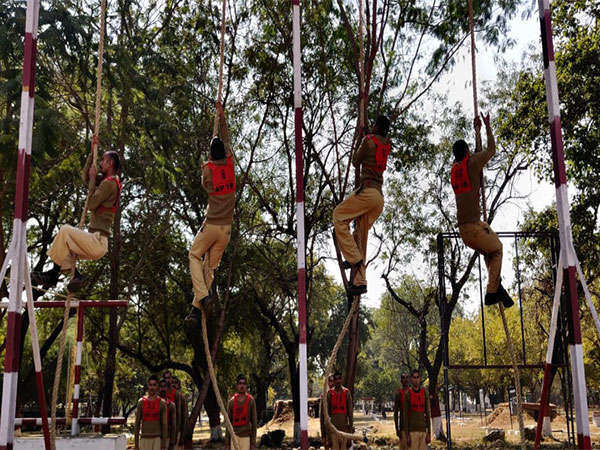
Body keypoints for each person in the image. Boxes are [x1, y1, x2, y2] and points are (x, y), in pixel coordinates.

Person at [32, 144, 122, 292]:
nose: (100, 163)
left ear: (110, 163)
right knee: (67, 246)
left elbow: (91, 204)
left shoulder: (109, 184)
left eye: (102, 160)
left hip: (98, 241)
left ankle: (54, 275)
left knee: (66, 230)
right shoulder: (108, 182)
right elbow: (86, 178)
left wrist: (93, 179)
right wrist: (91, 155)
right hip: (96, 241)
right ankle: (77, 276)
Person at [451, 113, 513, 308]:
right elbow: (491, 150)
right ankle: (491, 292)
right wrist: (486, 126)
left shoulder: (455, 169)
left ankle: (497, 286)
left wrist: (475, 132)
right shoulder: (472, 163)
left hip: (464, 231)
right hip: (474, 228)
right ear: (467, 151)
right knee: (497, 249)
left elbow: (474, 154)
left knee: (489, 250)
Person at [185, 102, 235, 326]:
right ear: (224, 152)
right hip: (226, 230)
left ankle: (202, 296)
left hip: (212, 225)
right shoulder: (231, 164)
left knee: (194, 255)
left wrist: (206, 165)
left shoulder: (208, 170)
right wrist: (222, 117)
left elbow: (204, 185)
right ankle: (197, 307)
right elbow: (227, 140)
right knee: (211, 268)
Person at [333, 115, 391, 296]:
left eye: (374, 125)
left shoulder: (368, 141)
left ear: (376, 127)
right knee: (360, 236)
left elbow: (356, 161)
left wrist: (360, 138)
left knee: (338, 216)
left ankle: (353, 259)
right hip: (379, 198)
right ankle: (360, 282)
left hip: (367, 193)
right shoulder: (386, 145)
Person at [134, 375, 168, 450]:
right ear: (148, 385)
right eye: (150, 385)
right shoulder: (141, 402)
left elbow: (164, 425)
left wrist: (163, 445)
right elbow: (137, 423)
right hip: (144, 439)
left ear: (157, 386)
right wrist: (136, 444)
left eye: (154, 385)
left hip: (157, 439)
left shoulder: (162, 403)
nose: (152, 387)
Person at [226, 374, 257, 450]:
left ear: (246, 386)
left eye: (244, 383)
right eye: (240, 383)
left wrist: (253, 443)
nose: (242, 386)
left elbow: (254, 423)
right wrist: (227, 443)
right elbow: (228, 423)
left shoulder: (251, 401)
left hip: (246, 437)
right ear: (237, 386)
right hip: (234, 437)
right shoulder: (231, 402)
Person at [403, 370, 430, 450]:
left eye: (417, 377)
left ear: (420, 378)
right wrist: (407, 435)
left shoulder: (425, 393)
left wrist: (429, 433)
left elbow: (428, 414)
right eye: (414, 377)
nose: (416, 379)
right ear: (411, 379)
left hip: (423, 431)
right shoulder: (407, 394)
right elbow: (405, 415)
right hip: (412, 432)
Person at [326, 371, 353, 450]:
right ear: (333, 381)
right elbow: (326, 417)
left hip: (344, 432)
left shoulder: (347, 393)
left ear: (342, 380)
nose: (338, 381)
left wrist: (350, 435)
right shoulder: (329, 394)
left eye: (339, 379)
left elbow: (351, 415)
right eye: (336, 379)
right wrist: (328, 436)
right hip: (333, 432)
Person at [159, 378, 177, 450]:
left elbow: (173, 425)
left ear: (168, 388)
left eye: (164, 386)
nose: (162, 389)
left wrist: (172, 442)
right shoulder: (154, 403)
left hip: (167, 437)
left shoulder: (171, 405)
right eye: (161, 386)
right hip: (156, 437)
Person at [393, 372, 410, 449]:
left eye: (407, 377)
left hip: (413, 427)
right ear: (401, 380)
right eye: (403, 378)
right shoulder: (398, 394)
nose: (405, 379)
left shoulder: (412, 392)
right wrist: (397, 428)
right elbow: (396, 413)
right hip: (403, 427)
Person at [320, 375, 335, 450]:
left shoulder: (341, 395)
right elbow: (321, 417)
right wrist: (323, 435)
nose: (332, 383)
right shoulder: (324, 397)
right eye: (330, 381)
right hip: (327, 430)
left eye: (333, 381)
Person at [173, 376, 187, 449]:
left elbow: (184, 418)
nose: (174, 385)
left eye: (176, 383)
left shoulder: (182, 398)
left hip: (179, 432)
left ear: (179, 385)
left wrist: (182, 435)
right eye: (172, 382)